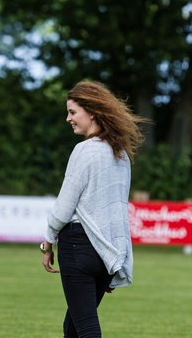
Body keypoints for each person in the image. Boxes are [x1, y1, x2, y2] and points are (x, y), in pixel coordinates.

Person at [41, 81, 146, 338]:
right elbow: (117, 211)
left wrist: (47, 241)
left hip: (77, 247)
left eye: (73, 112)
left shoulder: (84, 150)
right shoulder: (121, 154)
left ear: (92, 112)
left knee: (86, 329)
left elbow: (64, 207)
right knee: (73, 328)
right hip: (104, 251)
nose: (68, 118)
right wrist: (114, 259)